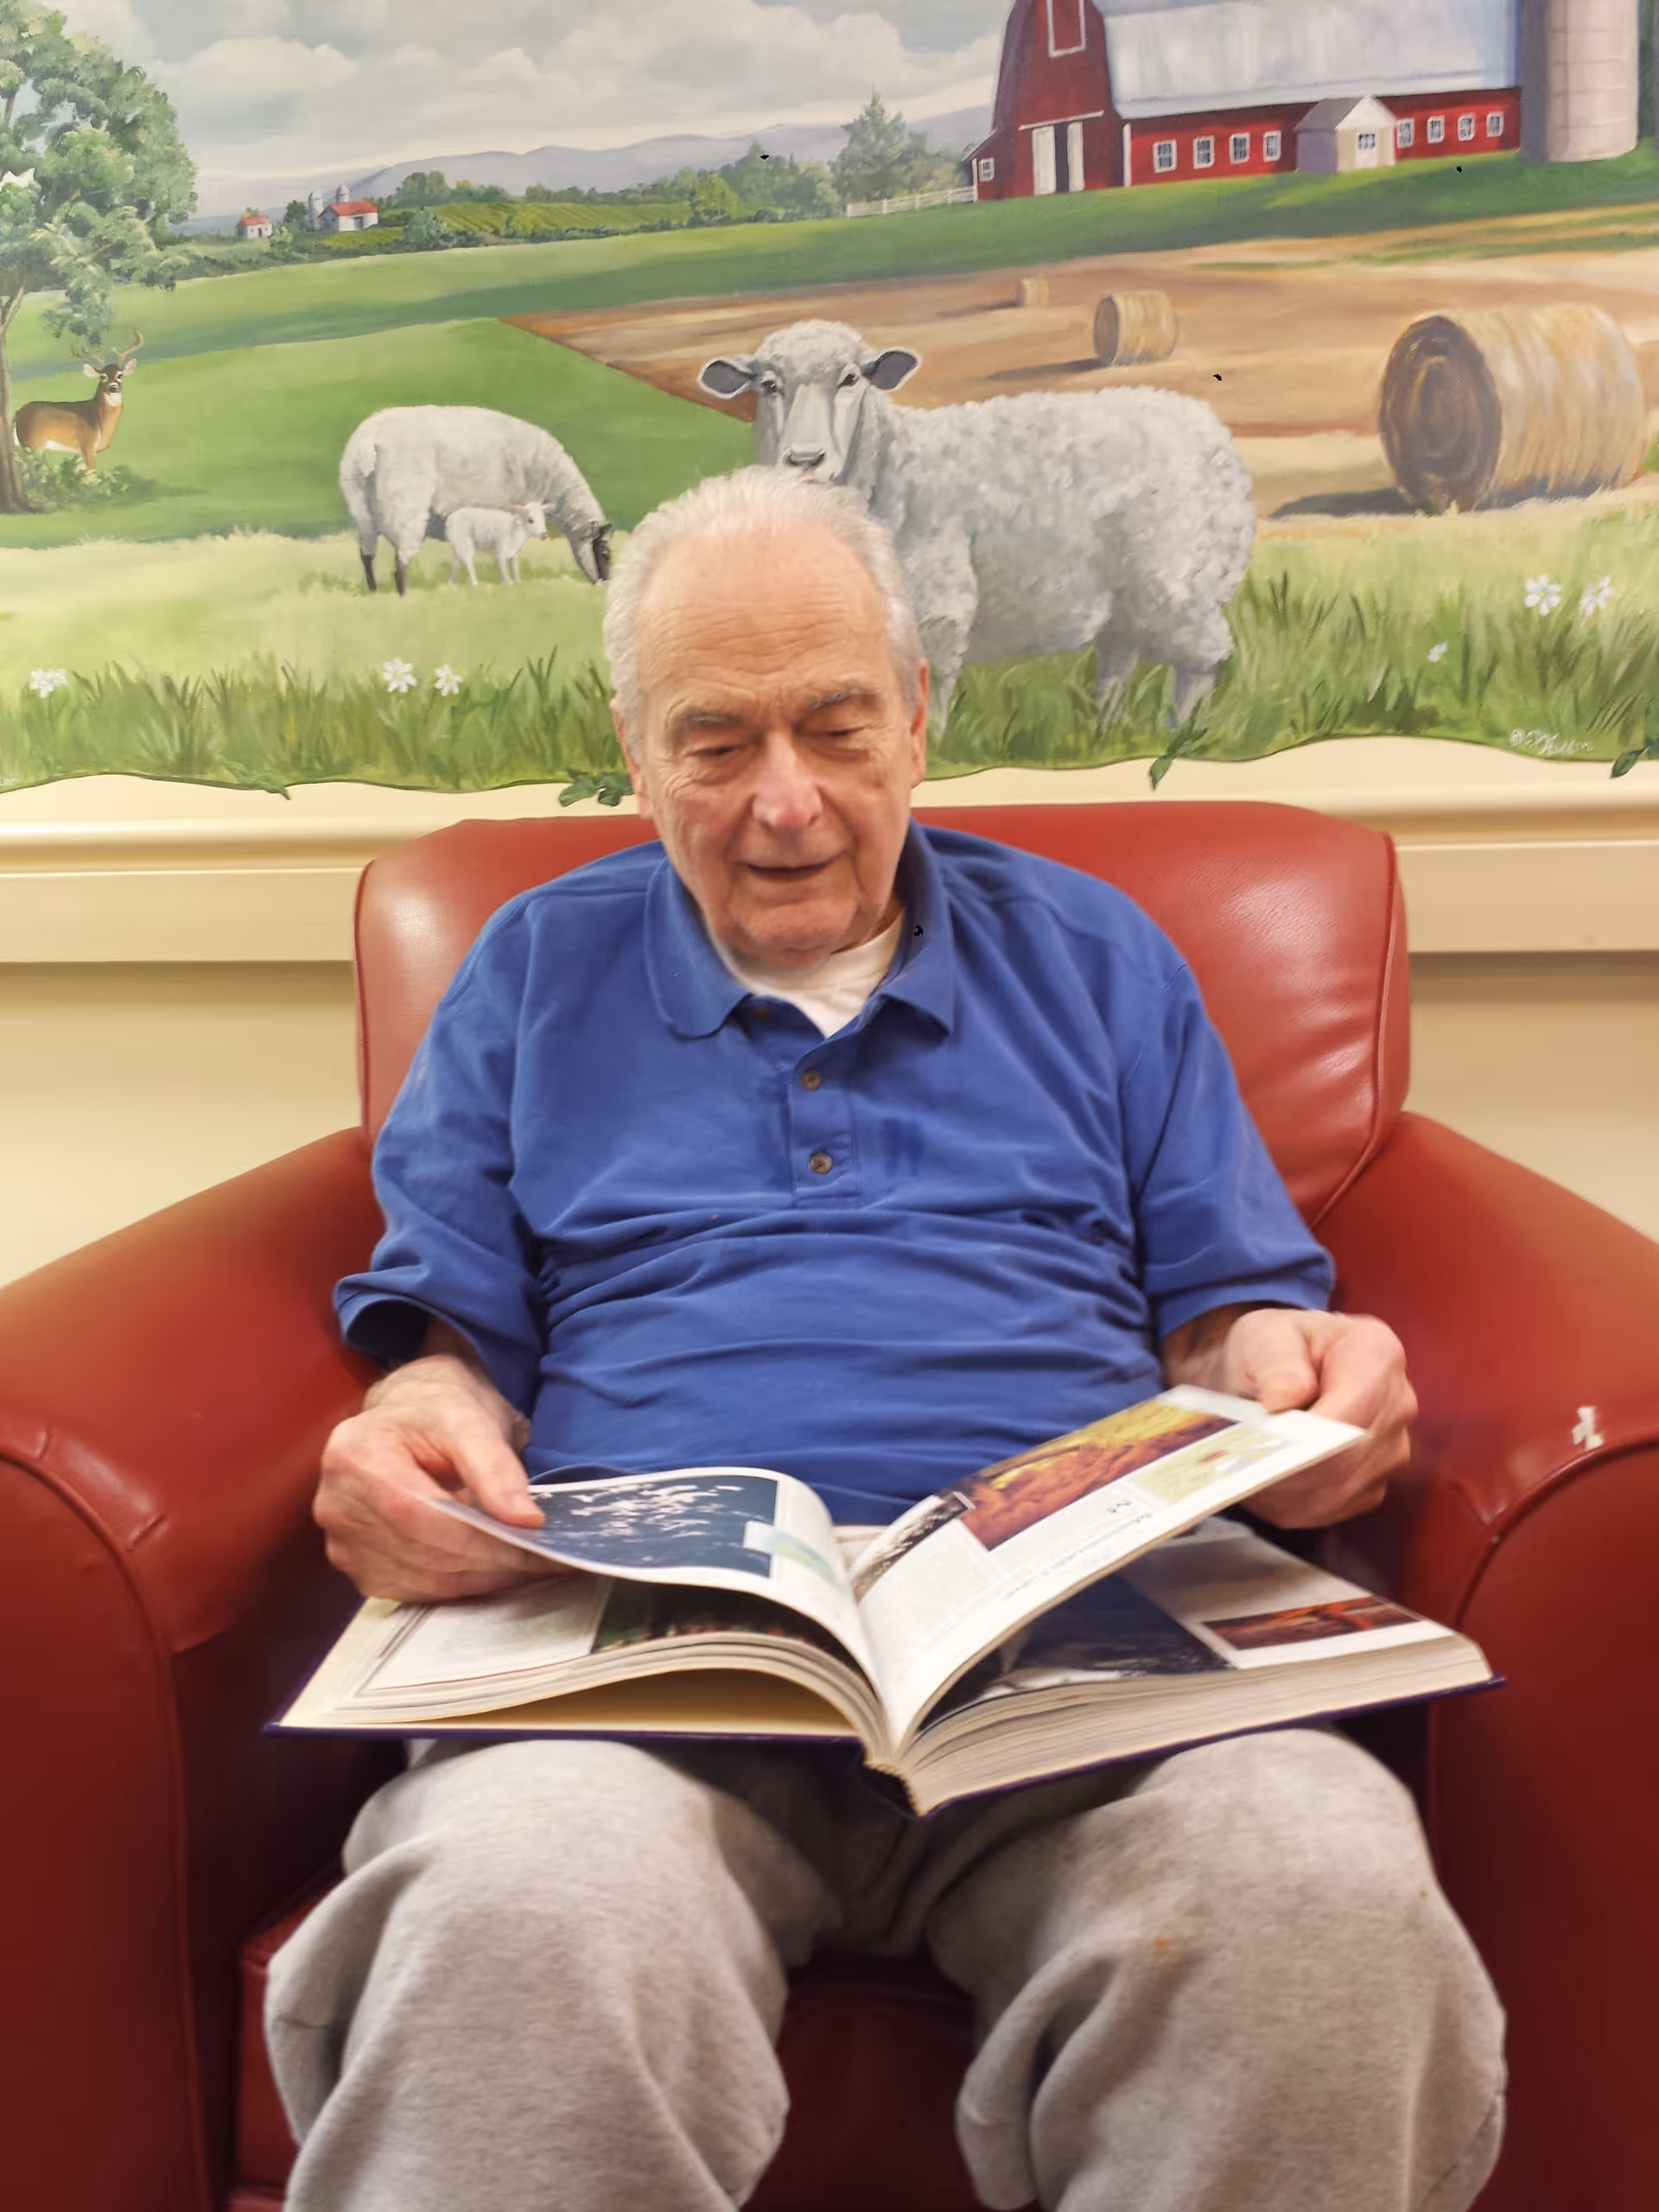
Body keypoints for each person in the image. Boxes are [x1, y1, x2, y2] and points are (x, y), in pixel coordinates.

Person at [268, 467, 1504, 2212]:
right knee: (518, 1900)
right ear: (635, 752)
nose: (785, 803)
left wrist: (1295, 1386)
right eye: (716, 742)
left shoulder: (1099, 956)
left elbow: (1231, 1318)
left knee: (1318, 1885)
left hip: (1085, 1677)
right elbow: (445, 1334)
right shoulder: (531, 969)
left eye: (838, 728)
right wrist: (415, 1420)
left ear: (920, 718)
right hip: (644, 1697)